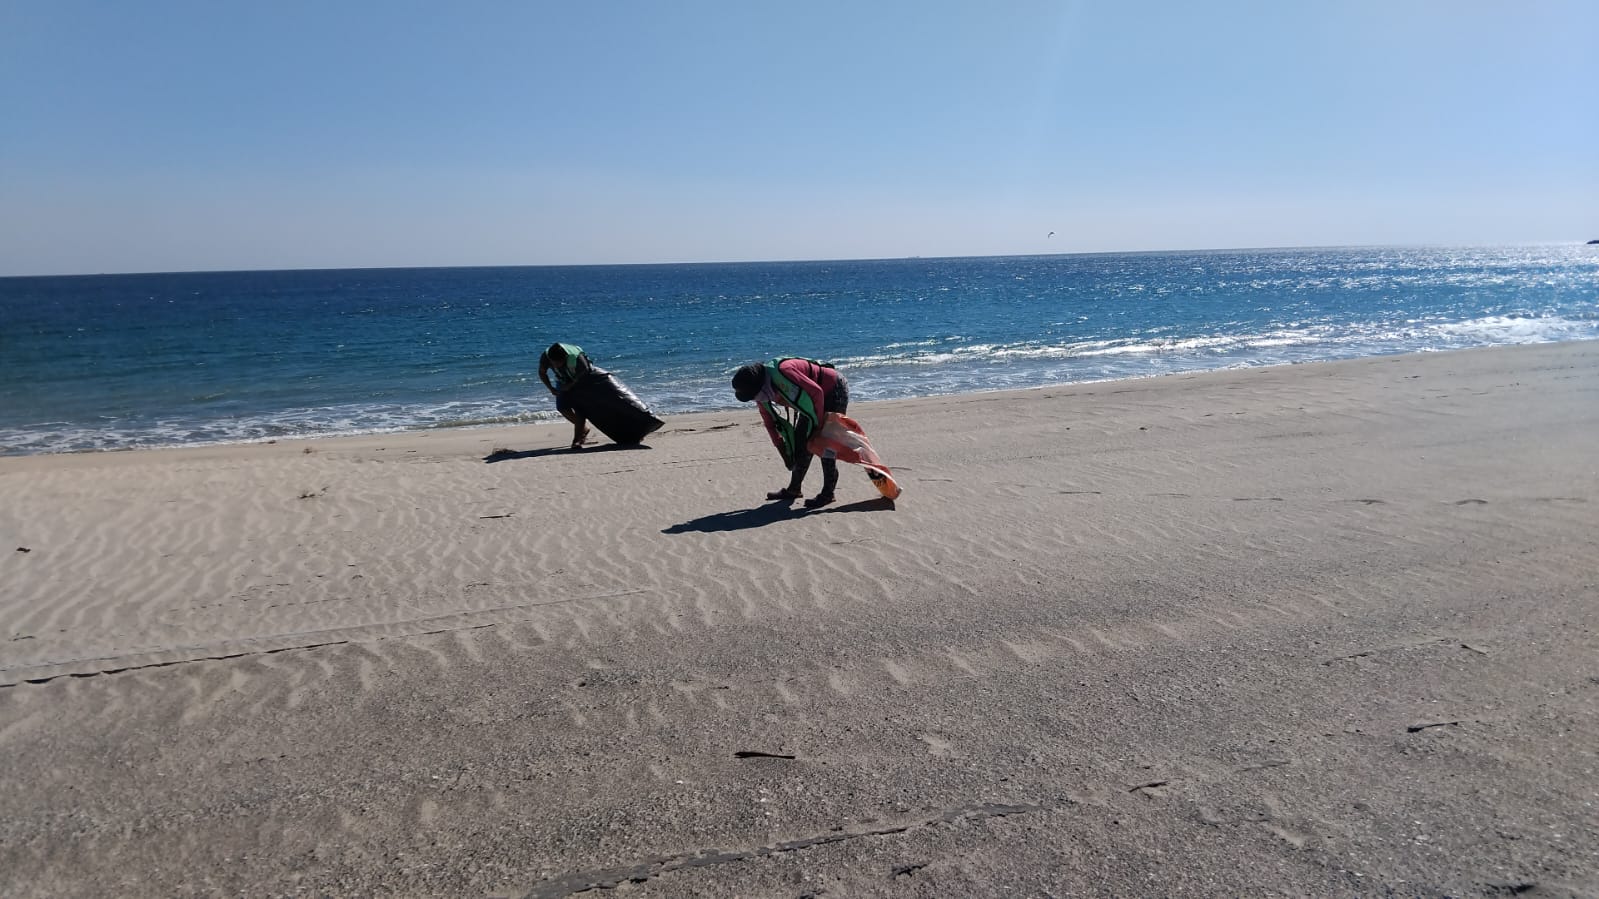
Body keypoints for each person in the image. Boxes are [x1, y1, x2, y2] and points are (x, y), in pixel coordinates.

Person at [732, 357, 850, 508]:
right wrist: (784, 452)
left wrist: (818, 426)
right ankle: (794, 489)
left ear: (759, 385)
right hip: (812, 399)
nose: (754, 399)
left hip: (833, 387)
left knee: (824, 443)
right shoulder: (762, 394)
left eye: (752, 396)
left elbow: (816, 392)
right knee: (800, 441)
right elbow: (770, 424)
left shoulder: (784, 372)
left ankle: (828, 493)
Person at [538, 342, 595, 449]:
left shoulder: (576, 357)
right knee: (562, 407)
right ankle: (583, 429)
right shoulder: (546, 357)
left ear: (565, 358)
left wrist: (571, 385)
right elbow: (542, 372)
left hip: (581, 378)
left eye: (558, 363)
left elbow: (586, 371)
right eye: (553, 363)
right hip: (563, 379)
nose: (555, 365)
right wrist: (550, 388)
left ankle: (577, 440)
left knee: (579, 408)